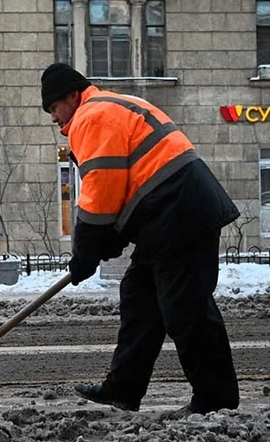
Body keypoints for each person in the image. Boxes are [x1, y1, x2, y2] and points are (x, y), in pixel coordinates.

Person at [40, 62, 240, 415]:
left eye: (54, 108)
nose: (54, 118)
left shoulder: (92, 115)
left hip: (179, 211)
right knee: (140, 298)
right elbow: (123, 186)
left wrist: (86, 251)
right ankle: (123, 388)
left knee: (186, 309)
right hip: (167, 213)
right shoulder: (107, 108)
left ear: (72, 96)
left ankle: (216, 401)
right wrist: (107, 241)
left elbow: (100, 191)